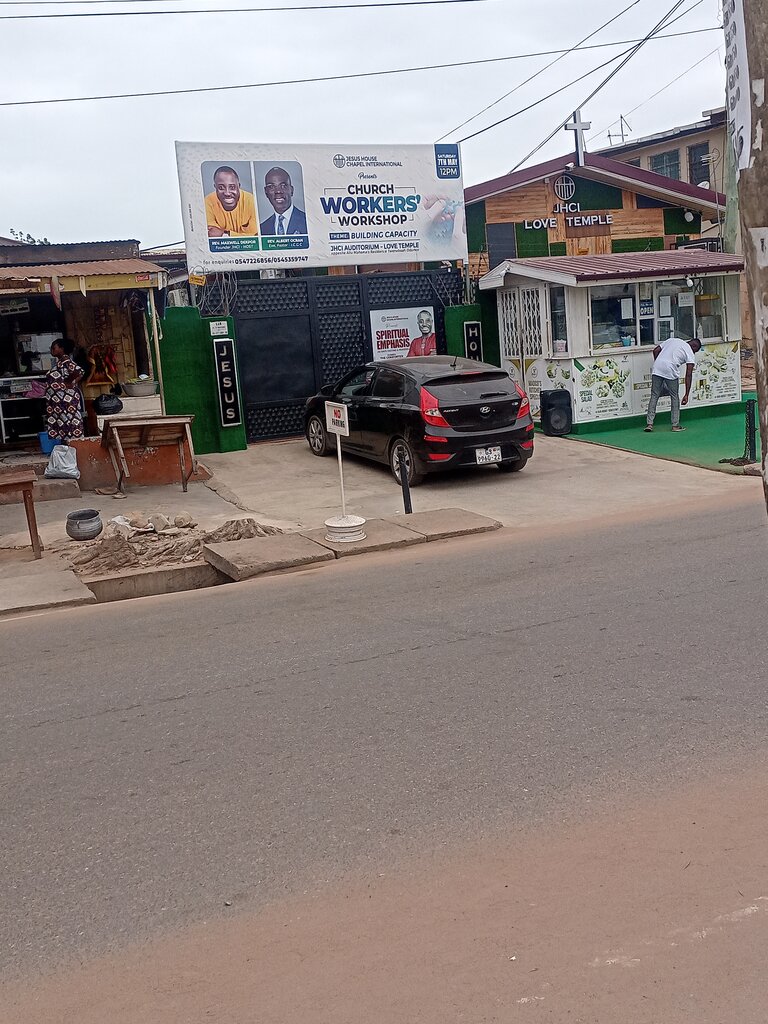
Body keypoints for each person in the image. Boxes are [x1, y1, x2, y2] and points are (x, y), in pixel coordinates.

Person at [644, 336, 703, 432]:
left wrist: (659, 364)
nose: (694, 353)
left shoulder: (673, 340)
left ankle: (649, 424)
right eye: (695, 351)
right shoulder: (690, 352)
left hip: (657, 367)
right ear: (694, 347)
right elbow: (688, 374)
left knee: (654, 395)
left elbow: (655, 350)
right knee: (674, 396)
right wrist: (686, 394)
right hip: (670, 369)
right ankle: (675, 425)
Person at [45, 337, 84, 444]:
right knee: (64, 424)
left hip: (66, 401)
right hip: (61, 402)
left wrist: (69, 382)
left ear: (61, 349)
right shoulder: (61, 362)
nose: (52, 350)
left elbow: (78, 372)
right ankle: (68, 445)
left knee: (70, 422)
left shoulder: (66, 360)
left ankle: (73, 446)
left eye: (54, 347)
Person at [205, 166, 257, 238]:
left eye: (232, 187)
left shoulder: (251, 200)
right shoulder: (208, 202)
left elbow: (254, 236)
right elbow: (212, 233)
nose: (227, 193)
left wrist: (224, 234)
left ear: (239, 186)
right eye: (221, 188)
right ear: (215, 187)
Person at [259, 167, 307, 235]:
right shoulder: (262, 229)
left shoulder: (307, 221)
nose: (278, 191)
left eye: (283, 186)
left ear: (291, 190)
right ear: (266, 192)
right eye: (271, 187)